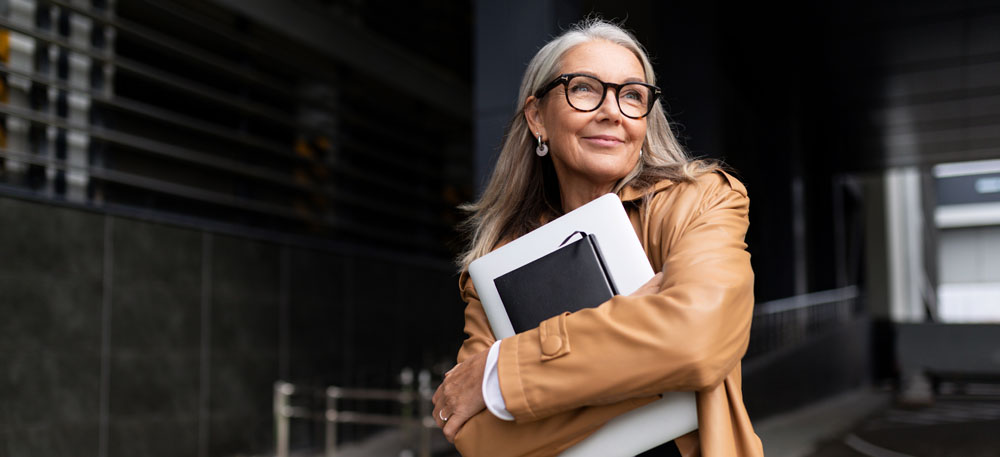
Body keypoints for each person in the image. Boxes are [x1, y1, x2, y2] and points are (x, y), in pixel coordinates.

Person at [433, 18, 764, 457]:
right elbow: (480, 440)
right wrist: (651, 355)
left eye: (631, 95)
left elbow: (697, 343)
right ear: (537, 117)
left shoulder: (701, 201)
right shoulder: (497, 264)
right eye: (585, 88)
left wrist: (501, 376)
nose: (612, 111)